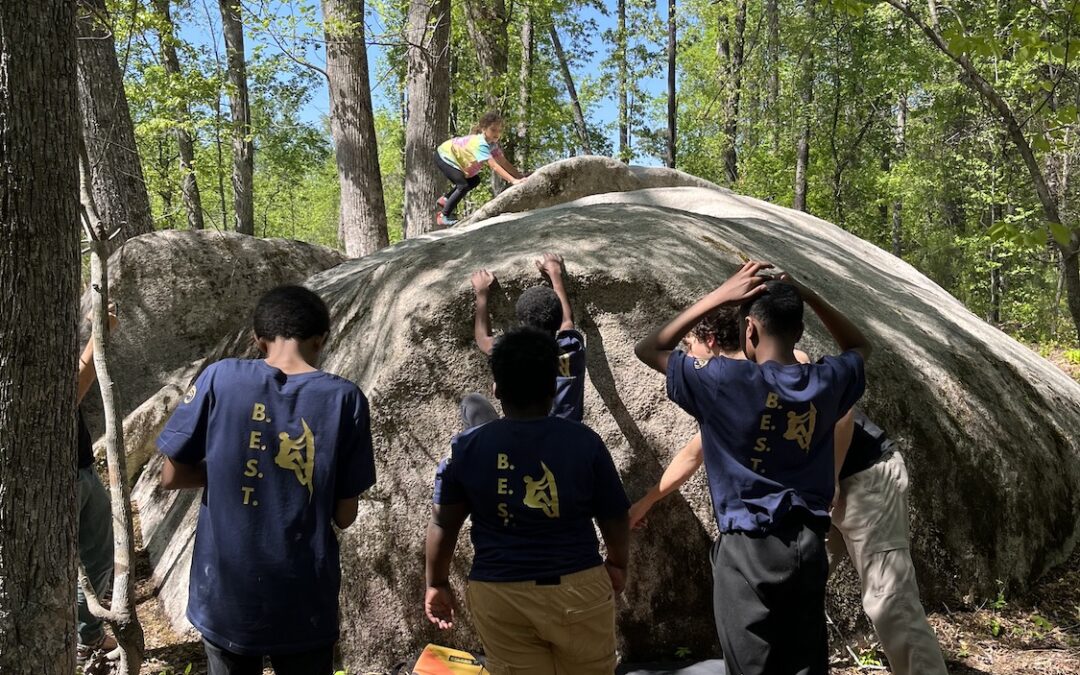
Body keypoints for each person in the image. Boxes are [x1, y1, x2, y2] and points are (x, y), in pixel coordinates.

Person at [635, 261, 871, 675]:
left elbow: (650, 348)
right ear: (799, 332)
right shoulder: (825, 380)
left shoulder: (724, 382)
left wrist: (719, 296)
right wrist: (809, 296)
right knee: (803, 664)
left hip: (746, 550)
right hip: (806, 544)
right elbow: (859, 348)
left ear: (750, 330)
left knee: (748, 667)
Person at [156, 285, 376, 675]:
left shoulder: (220, 377)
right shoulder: (345, 399)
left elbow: (171, 475)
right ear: (321, 339)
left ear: (259, 340)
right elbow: (344, 516)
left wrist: (228, 465)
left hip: (226, 596)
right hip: (304, 599)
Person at [424, 328, 630, 675]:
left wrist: (437, 582)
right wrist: (617, 563)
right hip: (577, 586)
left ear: (497, 389)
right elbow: (613, 514)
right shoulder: (584, 442)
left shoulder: (466, 448)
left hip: (499, 595)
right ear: (553, 388)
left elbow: (444, 522)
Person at [828, 412, 948, 675]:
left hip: (865, 477)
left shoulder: (787, 371)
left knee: (890, 600)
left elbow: (842, 412)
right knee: (792, 585)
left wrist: (833, 475)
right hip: (819, 490)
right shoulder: (735, 379)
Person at [462, 252, 586, 427]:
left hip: (514, 437)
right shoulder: (572, 348)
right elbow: (567, 321)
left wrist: (481, 294)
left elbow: (483, 339)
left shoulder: (514, 352)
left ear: (521, 322)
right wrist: (555, 274)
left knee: (471, 404)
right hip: (565, 437)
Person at [76, 307, 120, 665]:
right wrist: (99, 337)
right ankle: (77, 641)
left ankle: (87, 635)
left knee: (96, 556)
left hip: (81, 466)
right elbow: (63, 397)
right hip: (52, 476)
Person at [434, 111, 529, 226]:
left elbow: (503, 162)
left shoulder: (492, 146)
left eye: (499, 131)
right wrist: (513, 180)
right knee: (463, 186)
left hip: (451, 158)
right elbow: (494, 166)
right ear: (484, 129)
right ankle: (443, 215)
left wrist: (520, 176)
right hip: (445, 155)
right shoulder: (481, 143)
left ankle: (446, 199)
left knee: (474, 180)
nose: (496, 134)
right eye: (493, 130)